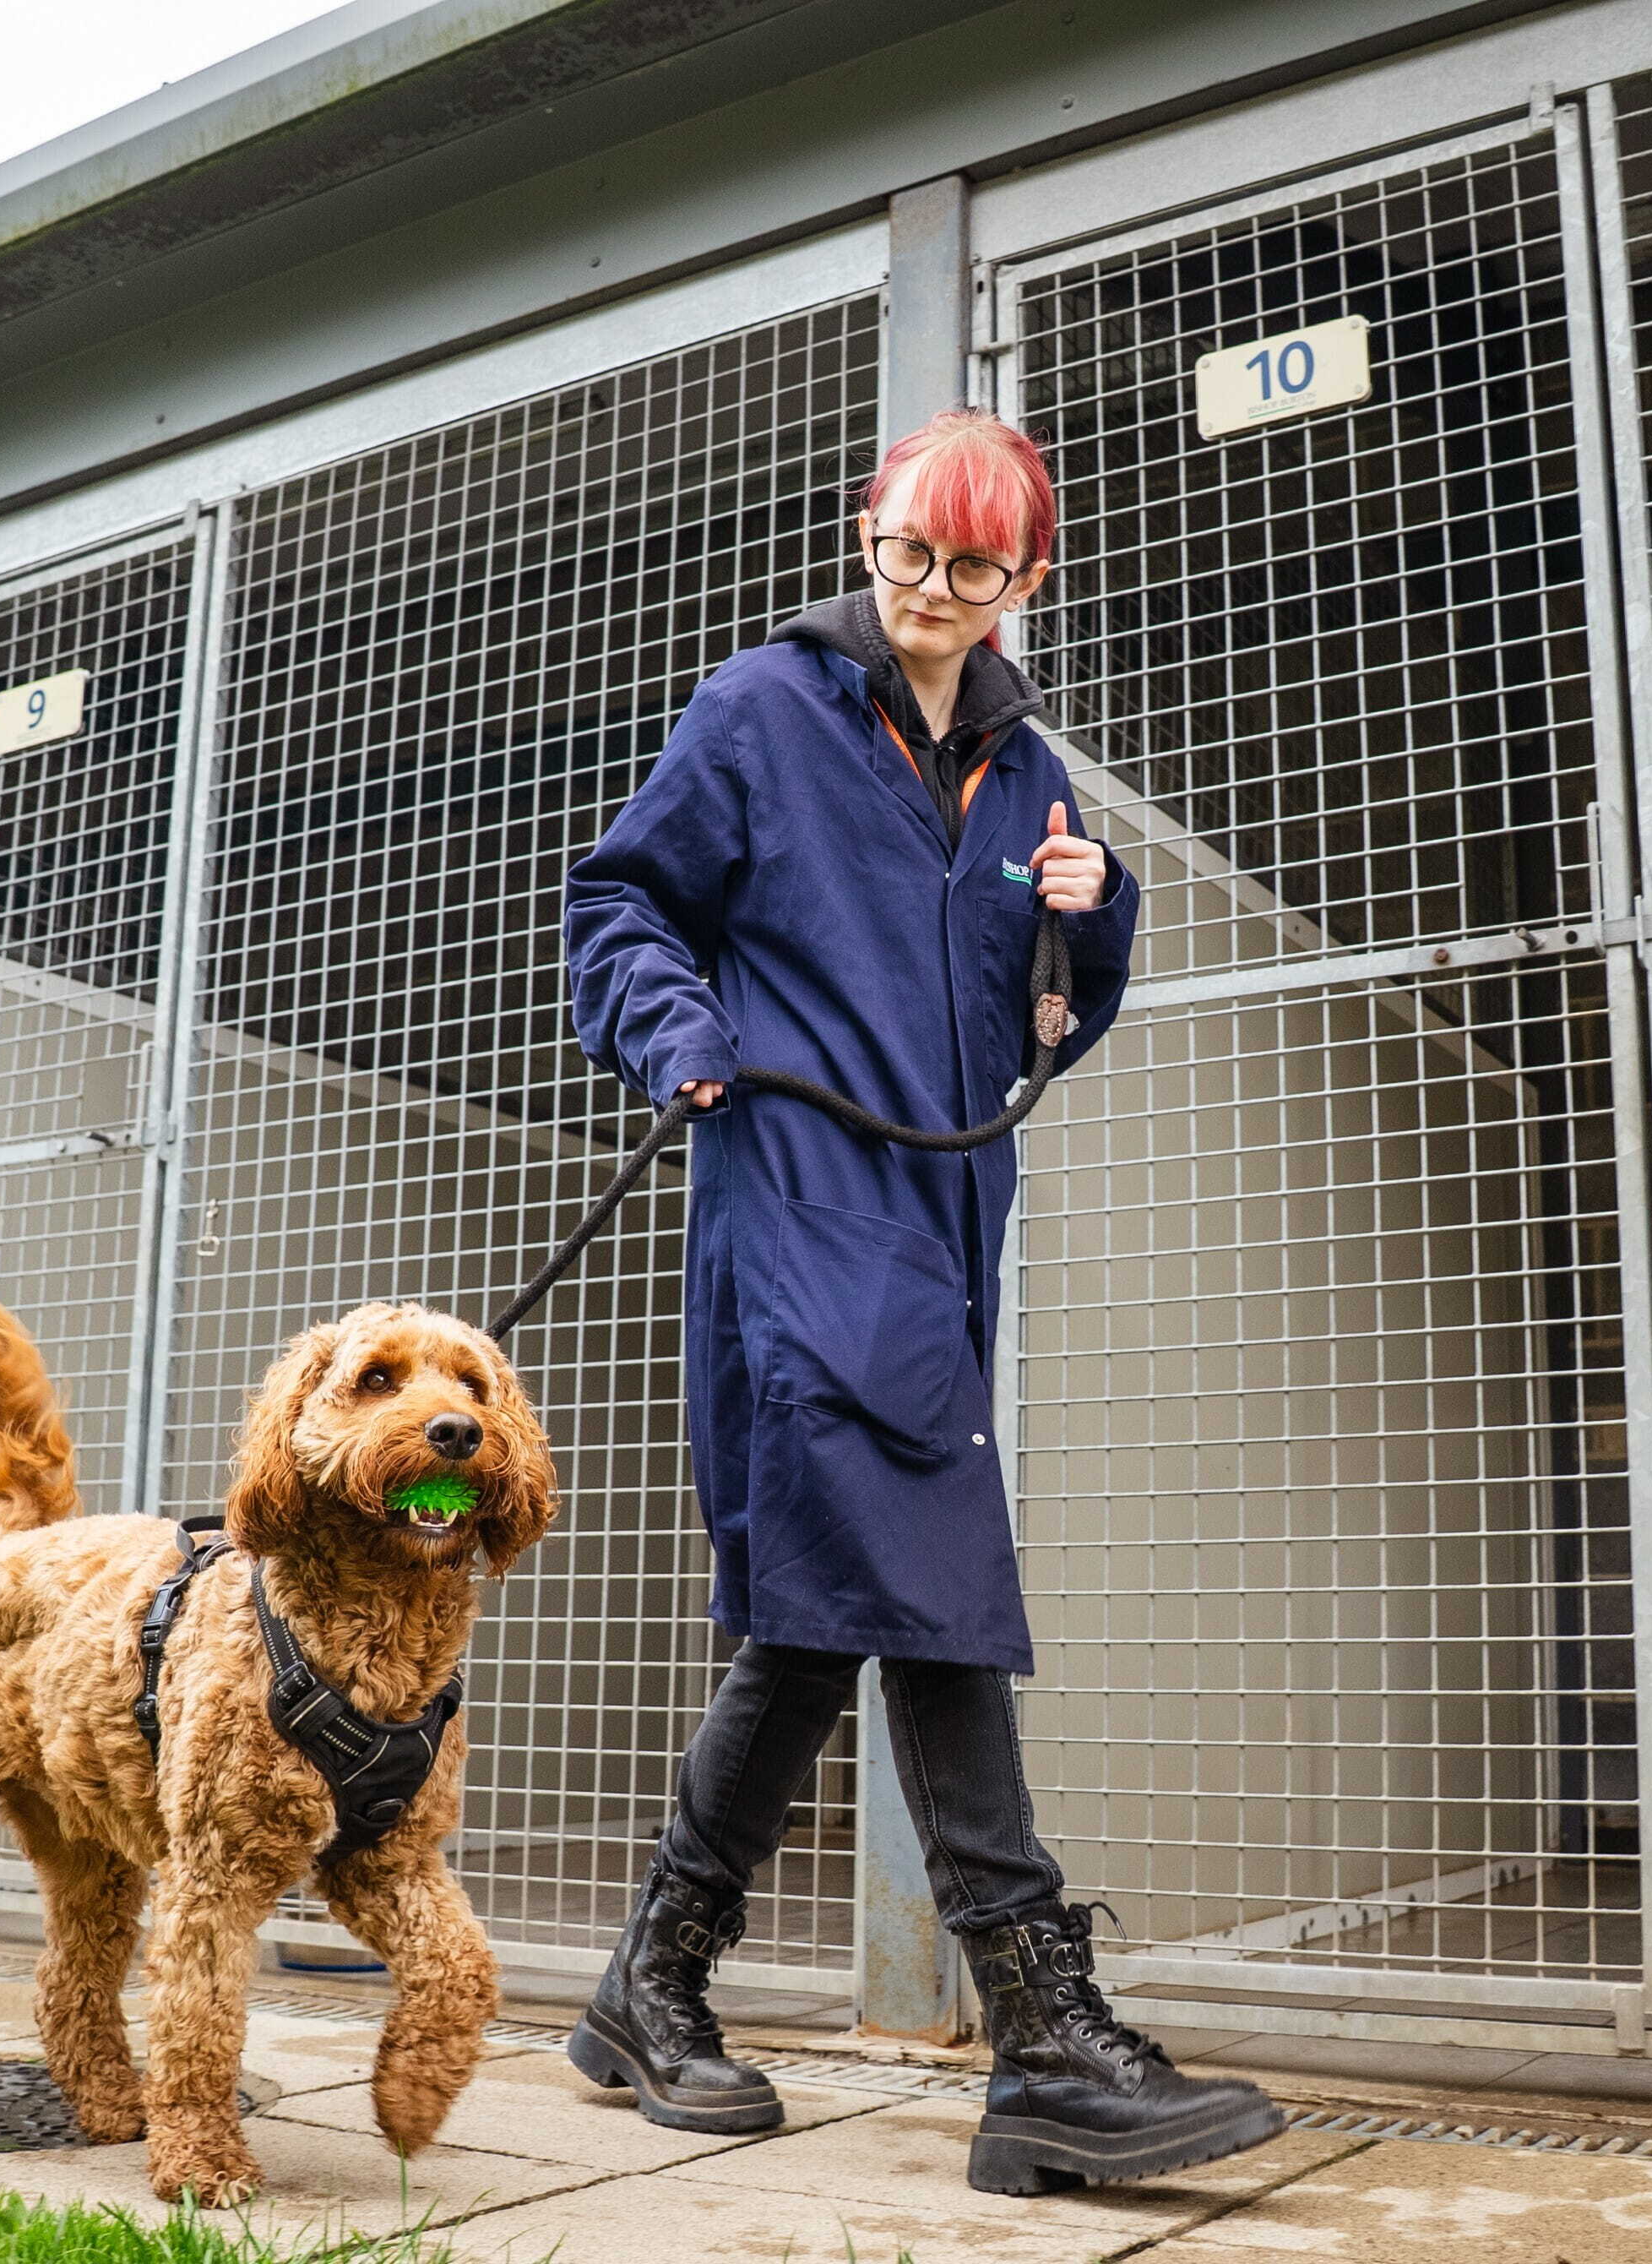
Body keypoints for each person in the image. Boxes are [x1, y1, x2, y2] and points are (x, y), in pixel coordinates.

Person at [558, 409, 1285, 2196]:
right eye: (903, 553)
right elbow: (616, 906)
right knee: (934, 1553)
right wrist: (679, 1033)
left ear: (1021, 576)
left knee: (824, 1606)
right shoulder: (759, 711)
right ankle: (1040, 2031)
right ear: (863, 535)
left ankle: (647, 1979)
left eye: (969, 566)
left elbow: (1042, 1020)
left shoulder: (1031, 769)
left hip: (941, 1214)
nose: (928, 593)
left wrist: (1092, 918)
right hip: (790, 1182)